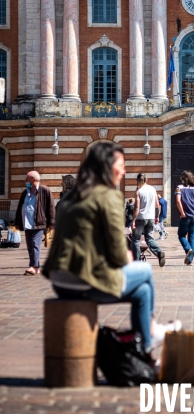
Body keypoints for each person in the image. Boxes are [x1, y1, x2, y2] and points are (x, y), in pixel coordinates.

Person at [42, 142, 180, 356]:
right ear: (106, 166)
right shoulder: (109, 196)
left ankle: (145, 345)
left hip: (59, 281)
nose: (124, 171)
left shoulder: (69, 197)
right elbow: (119, 256)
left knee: (143, 291)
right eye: (121, 165)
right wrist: (121, 256)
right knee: (145, 271)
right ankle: (150, 333)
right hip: (84, 281)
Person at [15, 171, 55, 276]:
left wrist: (52, 222)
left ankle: (33, 266)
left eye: (27, 179)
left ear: (33, 180)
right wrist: (17, 222)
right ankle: (36, 268)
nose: (25, 181)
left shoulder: (45, 190)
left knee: (35, 243)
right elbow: (20, 207)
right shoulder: (25, 192)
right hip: (27, 223)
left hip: (39, 222)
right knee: (30, 245)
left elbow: (51, 207)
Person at [131, 174, 165, 267]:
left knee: (135, 240)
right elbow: (157, 204)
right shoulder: (152, 189)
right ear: (147, 180)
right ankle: (159, 252)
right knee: (149, 238)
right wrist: (157, 216)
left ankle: (137, 262)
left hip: (140, 218)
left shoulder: (138, 191)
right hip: (151, 218)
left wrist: (133, 220)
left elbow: (137, 207)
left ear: (137, 180)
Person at [175, 171, 194, 266]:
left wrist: (182, 212)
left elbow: (178, 201)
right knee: (192, 237)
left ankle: (188, 250)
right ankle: (190, 260)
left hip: (185, 216)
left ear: (184, 179)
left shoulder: (179, 188)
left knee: (181, 235)